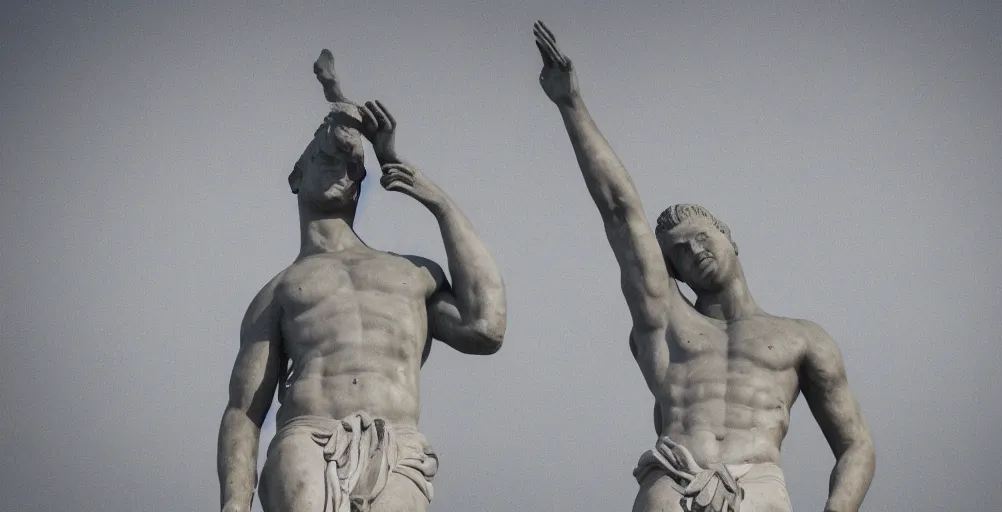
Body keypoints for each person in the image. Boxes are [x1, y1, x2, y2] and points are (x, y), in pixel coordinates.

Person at [532, 22, 874, 512]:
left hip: (758, 485)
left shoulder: (804, 338)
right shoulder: (669, 323)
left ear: (729, 237)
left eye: (701, 238)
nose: (694, 252)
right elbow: (619, 210)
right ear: (675, 273)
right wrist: (571, 104)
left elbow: (856, 444)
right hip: (675, 479)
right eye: (680, 253)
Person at [217, 49, 507, 512]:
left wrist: (437, 201)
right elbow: (244, 412)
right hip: (307, 441)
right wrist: (235, 503)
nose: (340, 169)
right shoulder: (278, 293)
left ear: (361, 184)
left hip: (396, 449)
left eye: (352, 166)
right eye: (324, 159)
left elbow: (486, 328)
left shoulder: (411, 274)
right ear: (296, 175)